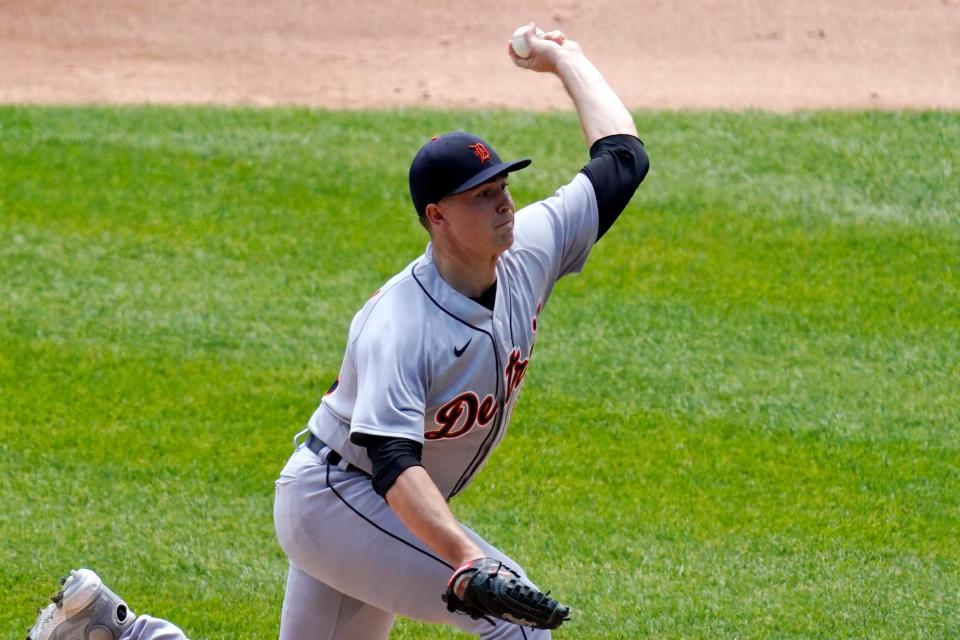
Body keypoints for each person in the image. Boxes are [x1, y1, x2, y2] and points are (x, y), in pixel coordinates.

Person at [25, 23, 648, 640]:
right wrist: (466, 557)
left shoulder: (530, 247)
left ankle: (116, 632)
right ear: (437, 218)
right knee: (516, 622)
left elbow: (623, 158)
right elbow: (393, 461)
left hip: (364, 503)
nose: (505, 204)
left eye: (503, 187)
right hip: (337, 497)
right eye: (482, 196)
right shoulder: (400, 323)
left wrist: (567, 60)